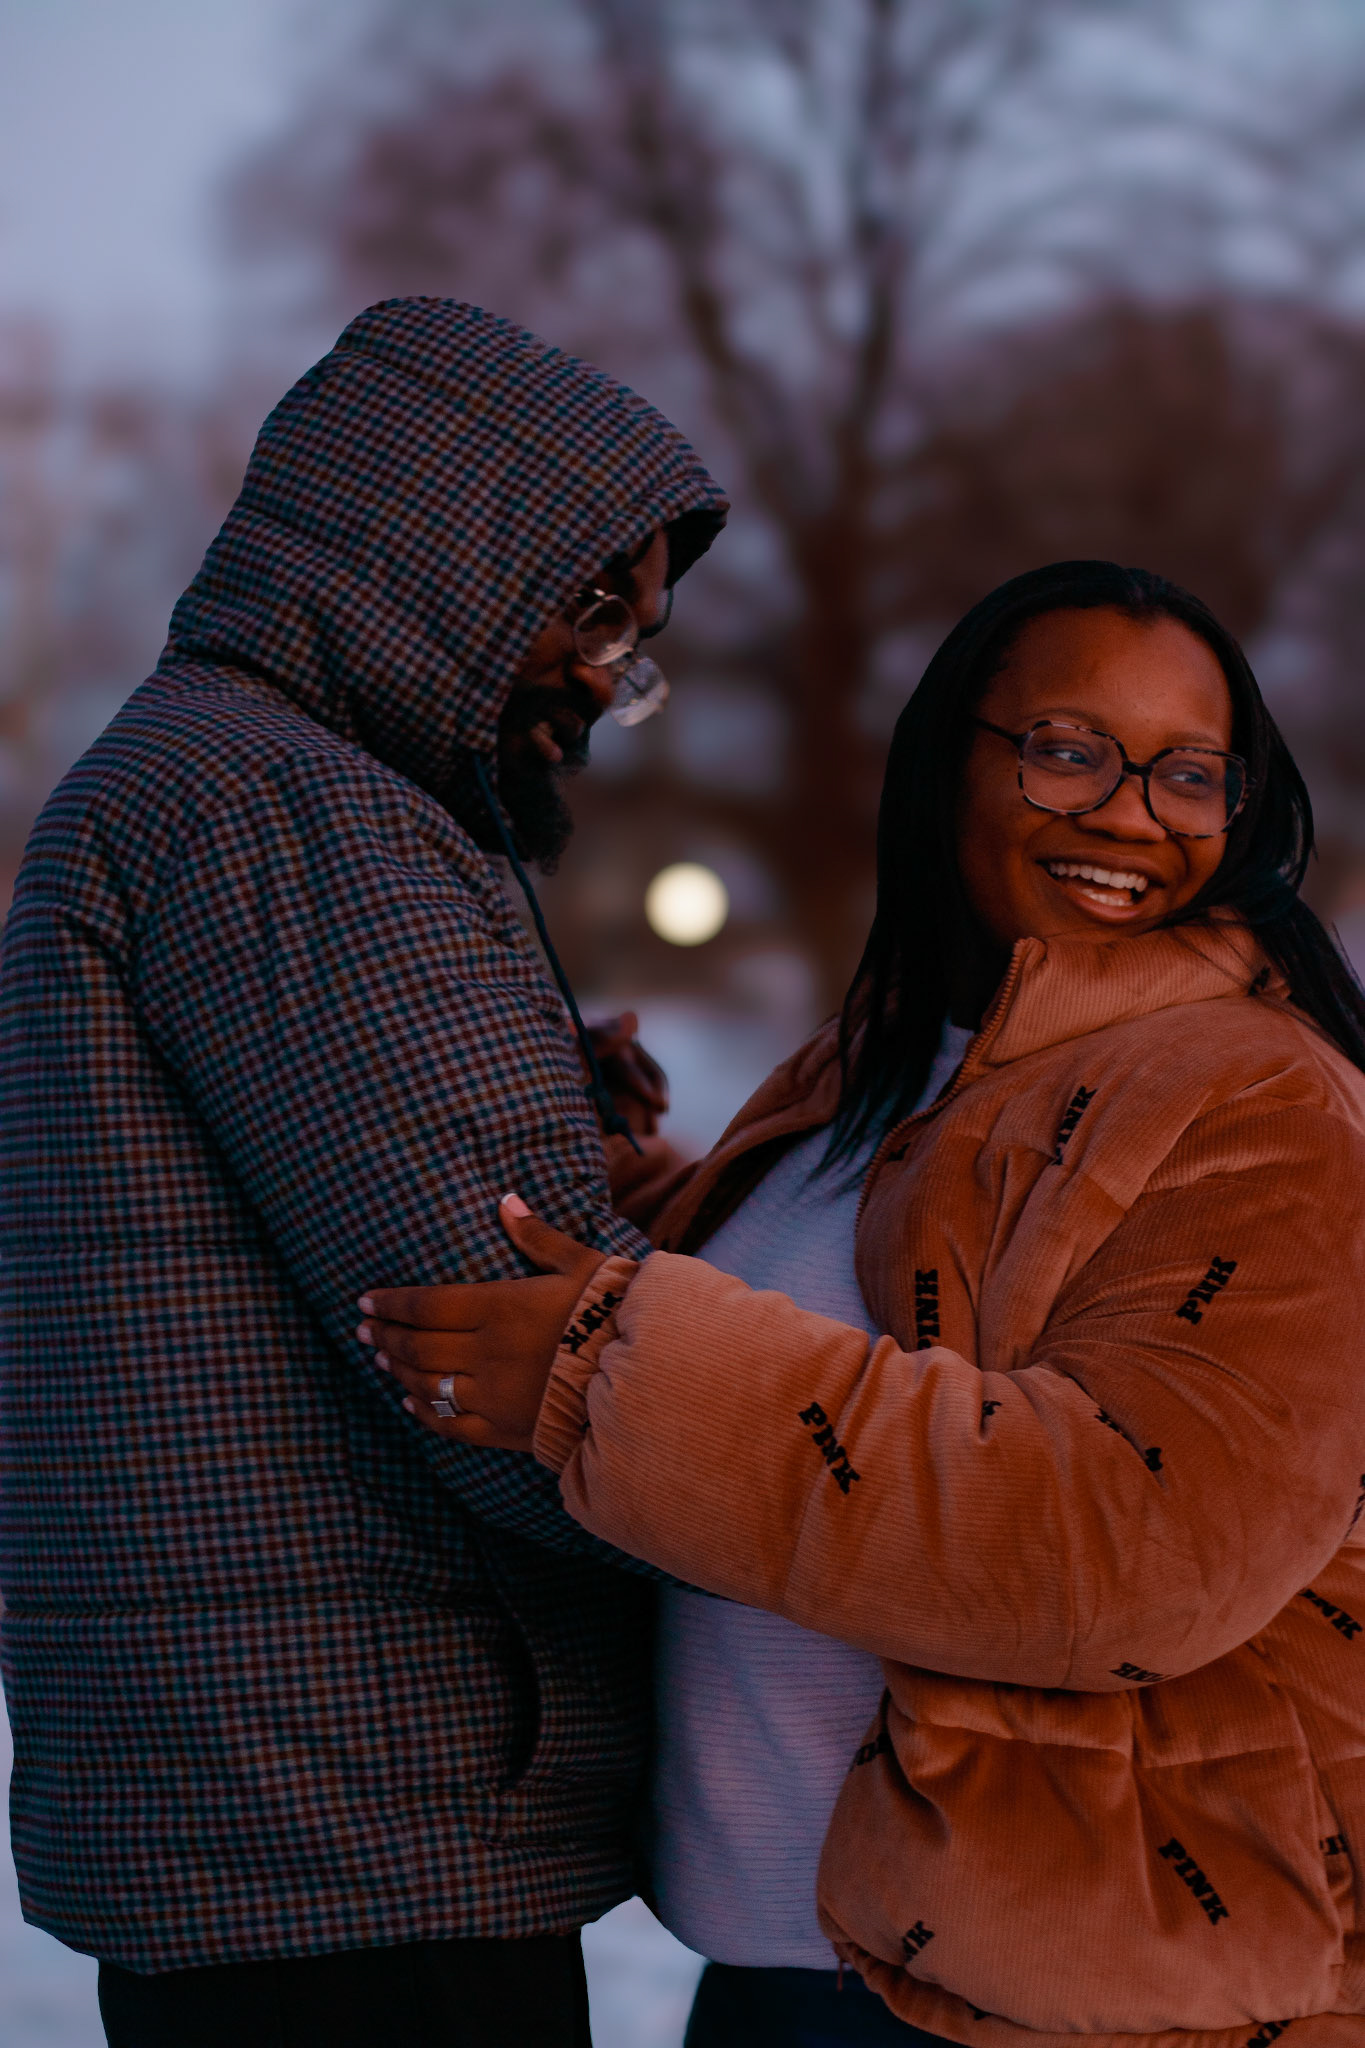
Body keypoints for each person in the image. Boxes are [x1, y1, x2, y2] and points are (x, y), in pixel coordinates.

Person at [361, 561, 1365, 2048]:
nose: (1129, 815)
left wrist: (619, 1374)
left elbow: (1134, 1539)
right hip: (781, 1970)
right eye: (1067, 750)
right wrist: (599, 1159)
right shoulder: (887, 1057)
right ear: (944, 757)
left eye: (1188, 773)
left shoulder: (1261, 1103)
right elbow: (846, 1307)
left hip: (1069, 2006)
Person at [0, 296, 726, 2048]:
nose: (604, 677)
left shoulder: (203, 783)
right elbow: (509, 1359)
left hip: (282, 1811)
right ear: (438, 552)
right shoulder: (291, 813)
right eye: (586, 607)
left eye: (635, 638)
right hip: (355, 1823)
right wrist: (874, 1459)